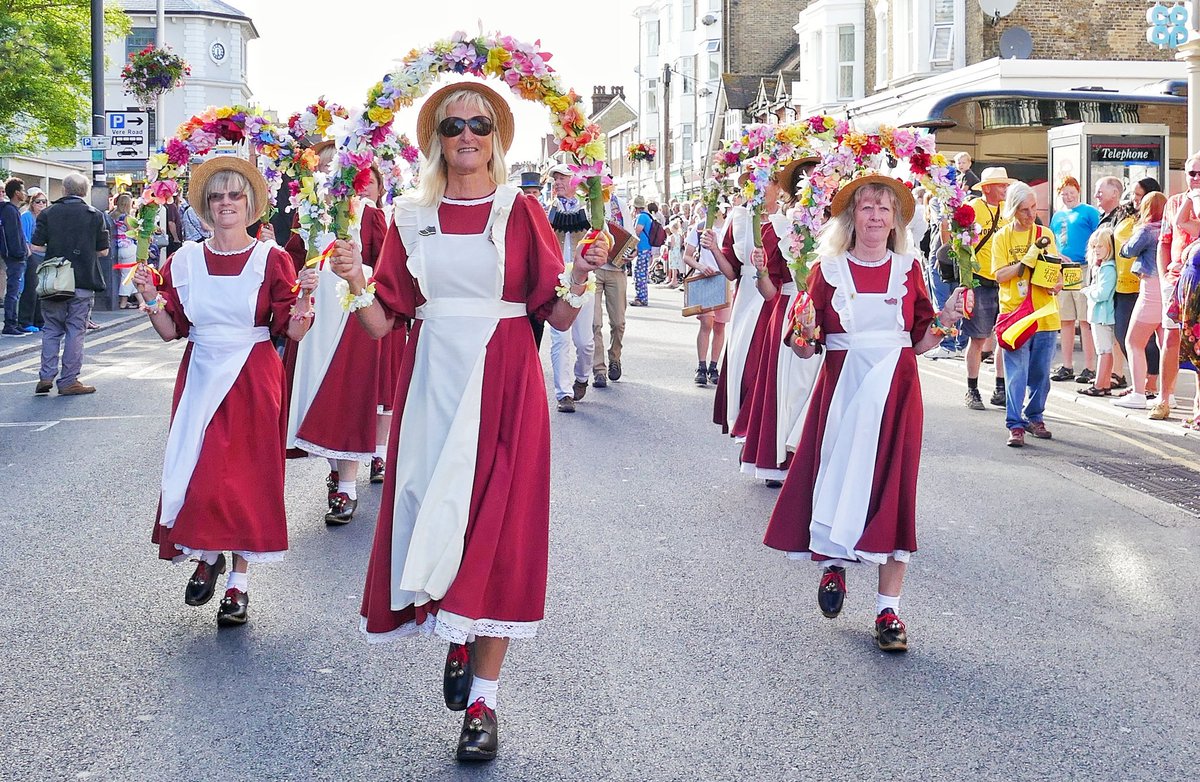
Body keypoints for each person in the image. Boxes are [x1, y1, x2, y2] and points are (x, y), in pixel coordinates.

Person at [328, 82, 609, 762]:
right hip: (432, 387)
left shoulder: (521, 210)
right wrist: (356, 281)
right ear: (436, 139)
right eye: (452, 125)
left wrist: (584, 275)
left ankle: (484, 703)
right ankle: (459, 628)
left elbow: (559, 313)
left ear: (496, 138)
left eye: (480, 125)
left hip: (507, 381)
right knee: (440, 515)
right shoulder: (408, 215)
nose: (466, 136)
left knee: (501, 532)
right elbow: (380, 322)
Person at [762, 173, 965, 653]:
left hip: (896, 389)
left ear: (895, 221)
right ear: (852, 217)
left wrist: (945, 322)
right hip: (843, 390)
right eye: (867, 207)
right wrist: (803, 331)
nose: (875, 216)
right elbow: (805, 348)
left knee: (894, 489)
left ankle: (887, 611)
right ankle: (834, 564)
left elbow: (919, 340)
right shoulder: (825, 270)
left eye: (885, 209)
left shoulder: (909, 269)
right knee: (837, 477)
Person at [134, 156, 317, 627]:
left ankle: (238, 582)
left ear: (250, 204)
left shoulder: (272, 258)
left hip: (253, 375)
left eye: (235, 195)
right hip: (200, 373)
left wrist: (302, 303)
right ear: (206, 206)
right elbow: (170, 329)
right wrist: (150, 298)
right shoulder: (185, 259)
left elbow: (289, 333)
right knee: (201, 470)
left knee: (247, 477)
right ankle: (207, 552)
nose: (226, 204)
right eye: (217, 196)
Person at [994, 181, 1061, 447]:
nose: (1030, 214)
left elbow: (1054, 271)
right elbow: (999, 275)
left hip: (1045, 313)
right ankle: (1015, 424)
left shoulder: (1045, 233)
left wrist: (1057, 281)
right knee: (1016, 374)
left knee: (1041, 374)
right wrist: (1024, 264)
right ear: (1013, 210)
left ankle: (1035, 417)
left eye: (1033, 207)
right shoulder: (1002, 237)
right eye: (1024, 209)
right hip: (1015, 316)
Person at [28, 174, 109, 394]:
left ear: (64, 190)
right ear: (85, 191)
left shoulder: (47, 213)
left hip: (53, 280)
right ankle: (69, 381)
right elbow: (103, 251)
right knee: (75, 329)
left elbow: (35, 247)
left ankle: (45, 376)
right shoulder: (95, 215)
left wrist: (56, 251)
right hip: (82, 281)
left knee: (52, 329)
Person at [1152, 153, 1200, 420]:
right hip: (1174, 282)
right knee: (1170, 338)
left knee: (1198, 343)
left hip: (1198, 280)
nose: (1195, 179)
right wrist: (1162, 276)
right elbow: (1164, 242)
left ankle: (1198, 404)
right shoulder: (1174, 203)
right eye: (1192, 173)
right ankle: (1163, 398)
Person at [545, 163, 596, 412]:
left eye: (562, 178)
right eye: (555, 179)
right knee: (559, 339)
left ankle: (582, 376)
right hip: (558, 283)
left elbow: (604, 237)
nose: (558, 183)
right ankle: (563, 393)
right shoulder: (548, 212)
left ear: (575, 181)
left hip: (585, 280)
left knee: (585, 342)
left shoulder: (590, 210)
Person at [960, 167, 1012, 410]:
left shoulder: (1008, 211)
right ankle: (972, 389)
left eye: (1005, 185)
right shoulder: (972, 210)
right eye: (1001, 185)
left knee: (1003, 338)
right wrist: (966, 283)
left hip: (1004, 282)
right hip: (980, 281)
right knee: (979, 339)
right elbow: (961, 246)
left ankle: (1000, 388)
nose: (1005, 189)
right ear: (987, 188)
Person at [1115, 191, 1166, 409]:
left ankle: (1138, 393)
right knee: (1165, 343)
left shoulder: (1146, 230)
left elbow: (1128, 251)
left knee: (1133, 341)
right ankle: (1166, 393)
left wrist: (1128, 237)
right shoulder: (1169, 228)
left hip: (1150, 289)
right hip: (1168, 287)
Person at [1049, 175, 1100, 384]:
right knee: (1066, 319)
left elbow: (1100, 235)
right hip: (1064, 269)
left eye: (1071, 192)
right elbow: (1052, 241)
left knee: (1085, 320)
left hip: (1083, 266)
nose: (1068, 197)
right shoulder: (1057, 216)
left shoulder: (1088, 212)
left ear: (1078, 191)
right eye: (1064, 194)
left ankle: (1090, 366)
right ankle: (1067, 365)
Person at [682, 205, 728, 385]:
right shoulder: (700, 226)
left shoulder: (729, 227)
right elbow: (688, 255)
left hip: (724, 280)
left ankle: (713, 366)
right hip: (705, 279)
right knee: (706, 322)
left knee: (720, 326)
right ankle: (701, 366)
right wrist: (701, 267)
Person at [593, 190, 631, 386]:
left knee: (618, 322)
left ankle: (614, 357)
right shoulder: (588, 203)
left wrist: (629, 253)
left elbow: (631, 238)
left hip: (616, 268)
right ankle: (598, 368)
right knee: (594, 322)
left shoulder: (620, 204)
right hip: (594, 269)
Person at [1078, 227, 1118, 396]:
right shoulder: (1101, 267)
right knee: (1105, 350)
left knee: (1103, 351)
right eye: (1094, 246)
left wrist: (1087, 291)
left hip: (1102, 315)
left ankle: (1099, 384)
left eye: (1101, 246)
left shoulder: (1107, 268)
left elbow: (1102, 293)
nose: (1097, 250)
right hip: (1101, 314)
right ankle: (1105, 382)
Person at [18, 186, 48, 332]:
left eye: (44, 202)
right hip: (32, 256)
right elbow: (23, 237)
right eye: (38, 202)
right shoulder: (26, 217)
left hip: (44, 255)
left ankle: (39, 320)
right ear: (32, 203)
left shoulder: (46, 217)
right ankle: (25, 321)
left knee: (42, 290)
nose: (41, 204)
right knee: (31, 289)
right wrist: (30, 253)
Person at [1, 177, 28, 335]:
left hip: (13, 255)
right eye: (22, 190)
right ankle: (10, 324)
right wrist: (20, 253)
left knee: (16, 290)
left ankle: (14, 322)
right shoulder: (11, 211)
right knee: (13, 291)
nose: (24, 194)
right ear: (17, 193)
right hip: (15, 257)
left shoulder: (10, 210)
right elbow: (13, 236)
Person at [109, 193, 138, 308]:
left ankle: (133, 300)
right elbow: (132, 234)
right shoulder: (127, 218)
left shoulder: (111, 215)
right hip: (128, 248)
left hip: (116, 248)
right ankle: (123, 302)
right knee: (128, 275)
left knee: (121, 274)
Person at [631, 196, 653, 306]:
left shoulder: (641, 217)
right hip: (647, 248)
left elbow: (637, 231)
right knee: (643, 273)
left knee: (639, 273)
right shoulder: (648, 216)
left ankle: (640, 298)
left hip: (642, 248)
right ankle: (643, 297)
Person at [666, 216, 684, 287]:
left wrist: (669, 246)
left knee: (673, 266)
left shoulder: (672, 236)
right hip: (677, 252)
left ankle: (674, 280)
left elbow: (672, 245)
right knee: (676, 266)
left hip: (673, 252)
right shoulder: (679, 236)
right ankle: (674, 279)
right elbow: (679, 244)